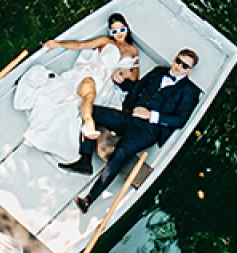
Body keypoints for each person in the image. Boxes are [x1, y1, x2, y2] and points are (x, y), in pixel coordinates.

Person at [61, 47, 202, 210]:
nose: (179, 66)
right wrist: (121, 84)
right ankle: (85, 160)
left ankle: (88, 199)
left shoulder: (190, 91)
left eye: (185, 66)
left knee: (120, 153)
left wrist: (151, 115)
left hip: (148, 131)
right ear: (174, 59)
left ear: (189, 71)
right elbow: (137, 87)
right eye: (179, 61)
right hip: (129, 117)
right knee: (91, 110)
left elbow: (180, 120)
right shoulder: (158, 71)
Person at [12, 13, 142, 160]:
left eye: (121, 30)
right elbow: (81, 45)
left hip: (107, 84)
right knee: (88, 90)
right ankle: (88, 123)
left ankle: (86, 127)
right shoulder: (105, 41)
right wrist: (58, 44)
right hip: (92, 73)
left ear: (126, 29)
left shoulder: (133, 50)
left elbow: (134, 77)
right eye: (114, 31)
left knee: (83, 99)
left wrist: (124, 73)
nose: (118, 34)